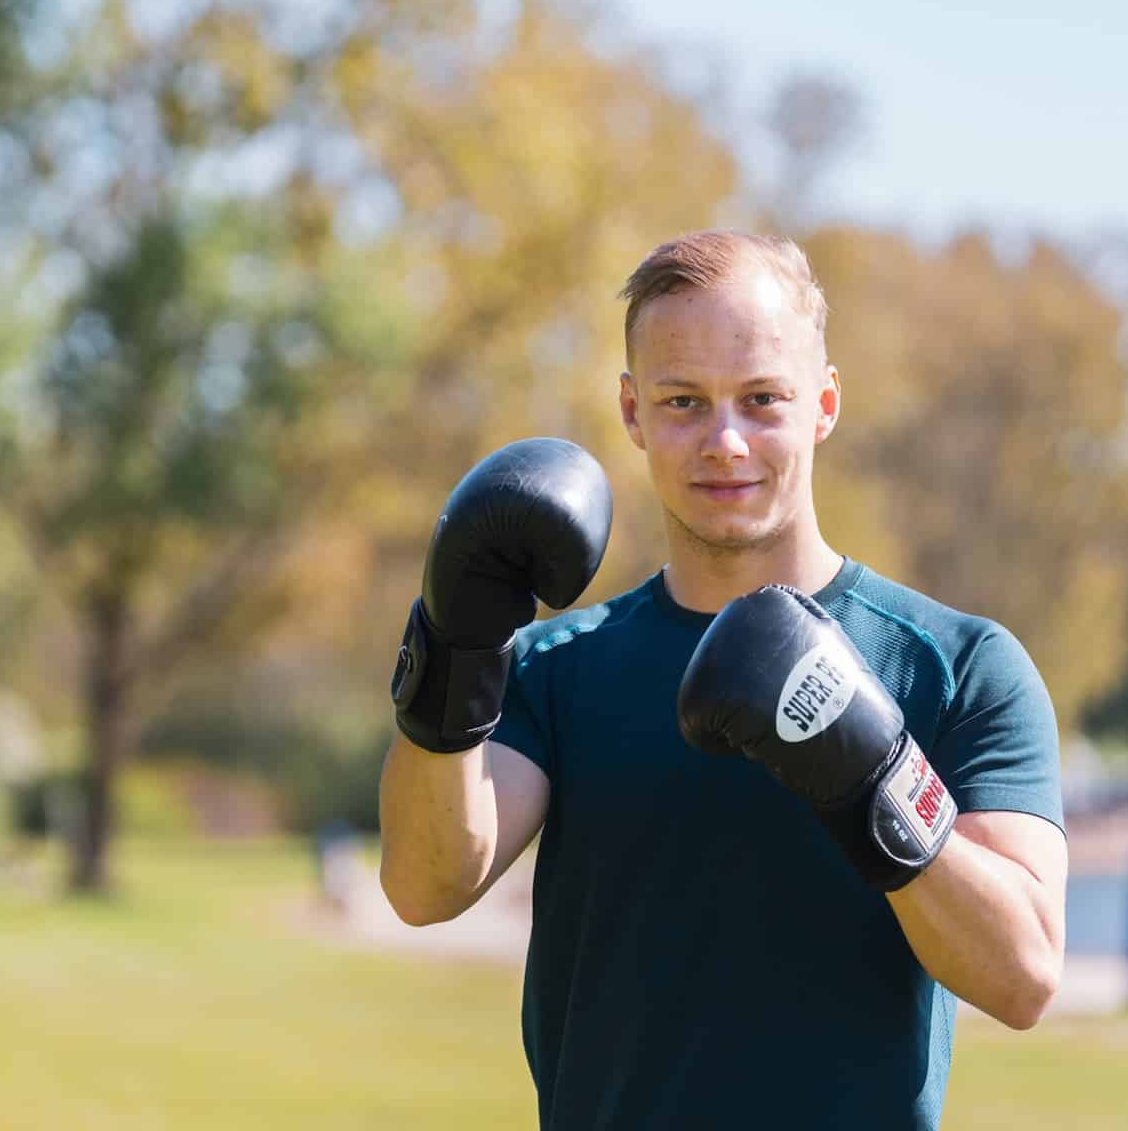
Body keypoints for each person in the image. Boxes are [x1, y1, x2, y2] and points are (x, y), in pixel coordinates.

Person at [378, 230, 1067, 1130]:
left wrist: (872, 771)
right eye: (683, 402)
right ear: (632, 412)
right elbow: (426, 887)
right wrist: (454, 650)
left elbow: (1022, 976)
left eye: (762, 399)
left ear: (823, 404)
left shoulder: (957, 664)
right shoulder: (559, 668)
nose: (726, 442)